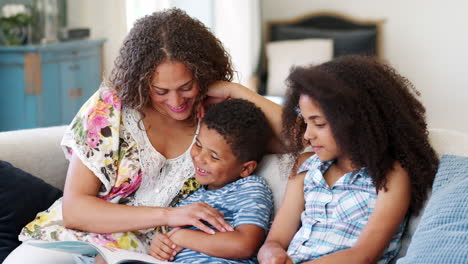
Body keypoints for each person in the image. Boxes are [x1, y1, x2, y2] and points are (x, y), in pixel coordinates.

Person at [4, 8, 283, 264]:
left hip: (146, 254)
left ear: (203, 73)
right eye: (161, 91)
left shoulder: (219, 120)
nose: (176, 101)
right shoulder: (110, 108)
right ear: (139, 80)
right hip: (73, 238)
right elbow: (75, 209)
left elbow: (302, 139)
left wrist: (239, 92)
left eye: (186, 86)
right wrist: (170, 216)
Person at [257, 55, 439, 264]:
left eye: (319, 124)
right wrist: (272, 255)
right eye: (306, 123)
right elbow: (275, 241)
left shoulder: (391, 174)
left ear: (356, 122)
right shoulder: (306, 166)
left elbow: (363, 255)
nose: (307, 135)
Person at [96, 98, 274, 264]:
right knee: (103, 258)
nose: (199, 158)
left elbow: (243, 245)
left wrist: (182, 238)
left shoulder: (250, 187)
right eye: (198, 144)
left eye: (214, 156)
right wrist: (161, 245)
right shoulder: (191, 197)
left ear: (246, 169)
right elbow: (169, 242)